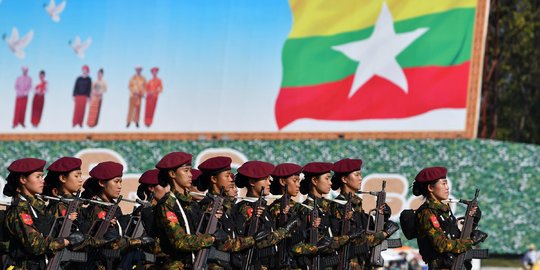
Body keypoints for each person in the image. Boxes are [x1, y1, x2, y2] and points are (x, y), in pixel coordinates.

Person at [2, 158, 84, 269]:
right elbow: (36, 245)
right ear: (23, 179)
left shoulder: (36, 209)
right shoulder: (19, 210)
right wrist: (67, 240)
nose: (42, 181)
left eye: (42, 176)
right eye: (38, 176)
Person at [154, 151, 224, 269]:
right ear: (172, 174)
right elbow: (180, 242)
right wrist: (212, 238)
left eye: (190, 170)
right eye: (186, 171)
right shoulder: (168, 204)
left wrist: (211, 217)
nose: (190, 175)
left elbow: (197, 231)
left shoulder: (191, 203)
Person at [80, 161, 152, 269]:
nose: (120, 186)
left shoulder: (112, 207)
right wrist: (139, 242)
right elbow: (111, 240)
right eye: (116, 182)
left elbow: (120, 228)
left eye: (121, 182)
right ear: (101, 183)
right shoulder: (97, 209)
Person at [412, 166, 488, 269]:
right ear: (430, 188)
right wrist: (470, 241)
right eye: (443, 183)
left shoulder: (444, 210)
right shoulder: (427, 213)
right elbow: (442, 245)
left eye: (446, 183)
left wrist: (472, 223)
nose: (447, 187)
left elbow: (453, 237)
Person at [330, 158, 398, 269]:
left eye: (360, 175)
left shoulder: (356, 207)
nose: (360, 178)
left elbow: (367, 232)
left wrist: (382, 218)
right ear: (344, 179)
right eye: (356, 175)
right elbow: (357, 241)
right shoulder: (339, 206)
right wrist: (384, 233)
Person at [196, 156, 261, 269]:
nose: (231, 179)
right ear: (214, 179)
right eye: (227, 176)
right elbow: (222, 243)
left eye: (231, 175)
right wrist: (253, 239)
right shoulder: (207, 207)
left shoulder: (229, 207)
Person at [234, 160, 296, 269]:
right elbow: (258, 241)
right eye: (265, 179)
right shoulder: (245, 208)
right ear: (252, 182)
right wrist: (285, 230)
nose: (269, 183)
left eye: (269, 179)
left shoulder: (265, 208)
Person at [296, 162, 352, 269]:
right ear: (314, 181)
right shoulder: (304, 210)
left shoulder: (329, 207)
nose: (330, 183)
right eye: (327, 179)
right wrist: (346, 238)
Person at [268, 162, 319, 269]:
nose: (298, 185)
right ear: (282, 182)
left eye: (299, 181)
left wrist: (312, 228)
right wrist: (313, 249)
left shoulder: (298, 207)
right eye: (295, 181)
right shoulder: (276, 208)